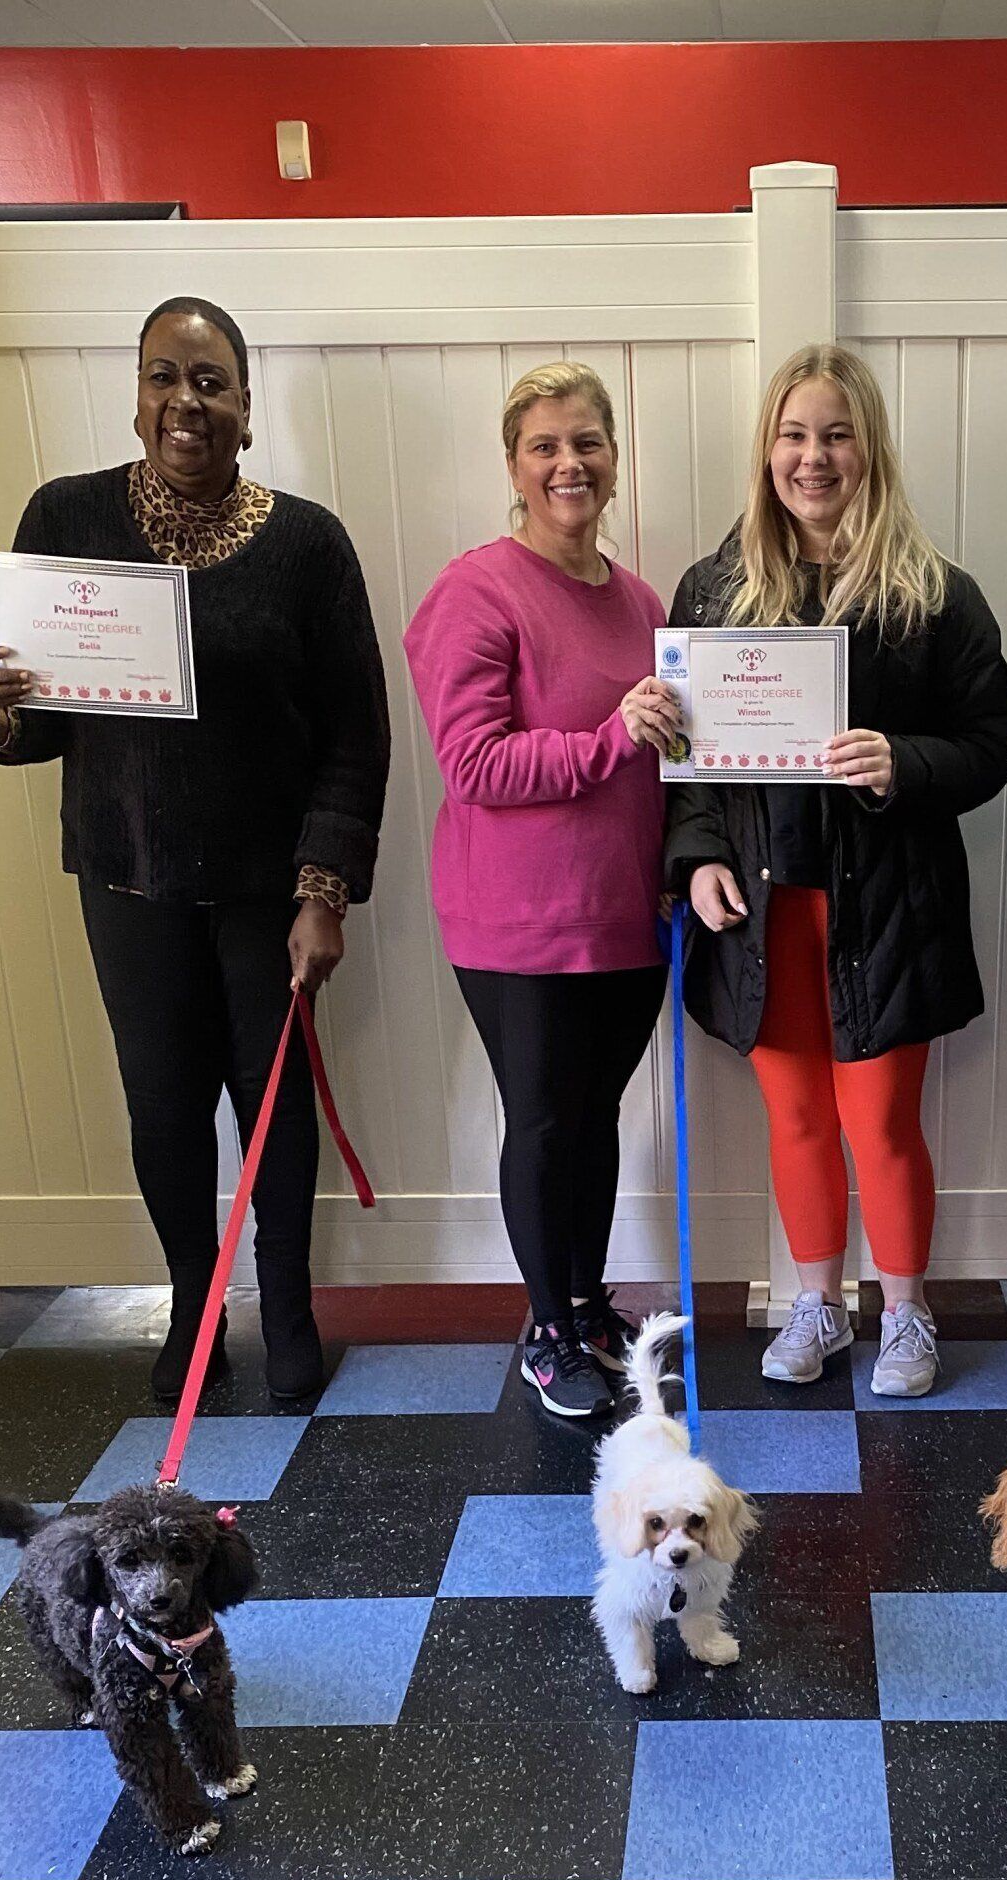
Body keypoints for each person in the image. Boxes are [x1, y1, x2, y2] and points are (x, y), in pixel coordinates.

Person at [0, 296, 390, 1405]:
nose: (184, 402)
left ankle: (287, 1304)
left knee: (272, 1100)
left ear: (247, 405)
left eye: (210, 381)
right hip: (125, 875)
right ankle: (196, 1304)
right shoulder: (67, 518)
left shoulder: (307, 542)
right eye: (162, 377)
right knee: (162, 1103)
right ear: (137, 395)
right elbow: (42, 724)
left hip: (268, 890)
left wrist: (323, 889)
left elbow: (356, 731)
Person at [665, 344, 1007, 1399]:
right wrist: (696, 860)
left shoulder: (935, 594)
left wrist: (900, 762)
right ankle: (815, 1298)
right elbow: (687, 766)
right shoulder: (715, 586)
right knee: (798, 1119)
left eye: (835, 433)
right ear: (766, 449)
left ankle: (905, 1312)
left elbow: (994, 744)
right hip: (764, 910)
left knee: (880, 1121)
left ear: (870, 447)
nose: (813, 458)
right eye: (793, 434)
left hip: (889, 908)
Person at [405, 362, 679, 1422]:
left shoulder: (642, 601)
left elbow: (668, 756)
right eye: (546, 446)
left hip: (625, 917)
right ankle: (545, 1328)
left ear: (614, 458)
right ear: (515, 465)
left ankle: (585, 1297)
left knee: (595, 1115)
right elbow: (474, 763)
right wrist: (609, 739)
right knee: (544, 1120)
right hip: (517, 922)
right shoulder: (475, 589)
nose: (570, 463)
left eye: (589, 443)